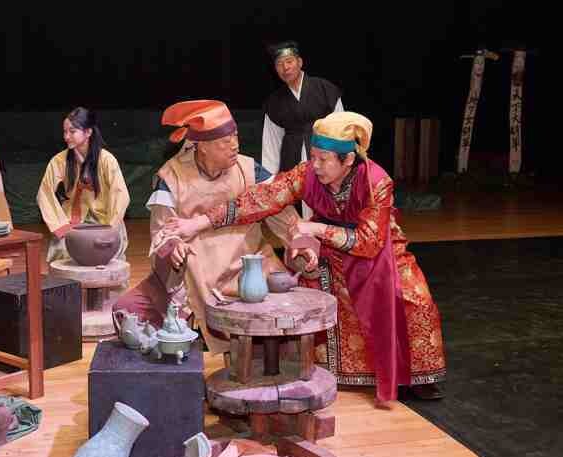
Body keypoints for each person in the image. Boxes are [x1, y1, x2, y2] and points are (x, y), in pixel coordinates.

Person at [164, 111, 446, 402]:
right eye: (313, 157)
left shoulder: (377, 183)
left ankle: (414, 376)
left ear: (348, 160)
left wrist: (317, 228)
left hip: (379, 250)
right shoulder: (307, 173)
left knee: (414, 297)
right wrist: (199, 223)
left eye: (324, 159)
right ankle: (324, 368)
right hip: (329, 251)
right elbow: (261, 198)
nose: (316, 165)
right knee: (304, 288)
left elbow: (369, 242)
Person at [112, 100, 303, 355]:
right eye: (225, 141)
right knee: (127, 311)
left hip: (249, 269)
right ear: (202, 146)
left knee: (282, 322)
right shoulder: (172, 177)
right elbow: (162, 232)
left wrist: (298, 237)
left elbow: (283, 215)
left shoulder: (249, 169)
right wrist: (173, 247)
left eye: (235, 136)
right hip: (194, 275)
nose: (235, 145)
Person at [36, 107, 130, 263]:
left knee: (109, 255)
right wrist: (60, 226)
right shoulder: (59, 161)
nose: (66, 136)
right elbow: (44, 193)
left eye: (72, 132)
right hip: (73, 220)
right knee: (62, 251)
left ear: (88, 132)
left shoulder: (106, 160)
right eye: (65, 132)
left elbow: (120, 194)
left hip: (105, 220)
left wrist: (111, 227)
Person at [262, 41, 343, 218]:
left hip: (325, 155)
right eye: (279, 64)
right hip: (292, 159)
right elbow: (271, 144)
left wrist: (342, 161)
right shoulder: (274, 102)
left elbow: (341, 127)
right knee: (297, 212)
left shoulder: (324, 89)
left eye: (289, 61)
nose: (285, 68)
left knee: (329, 209)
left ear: (300, 62)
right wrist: (270, 181)